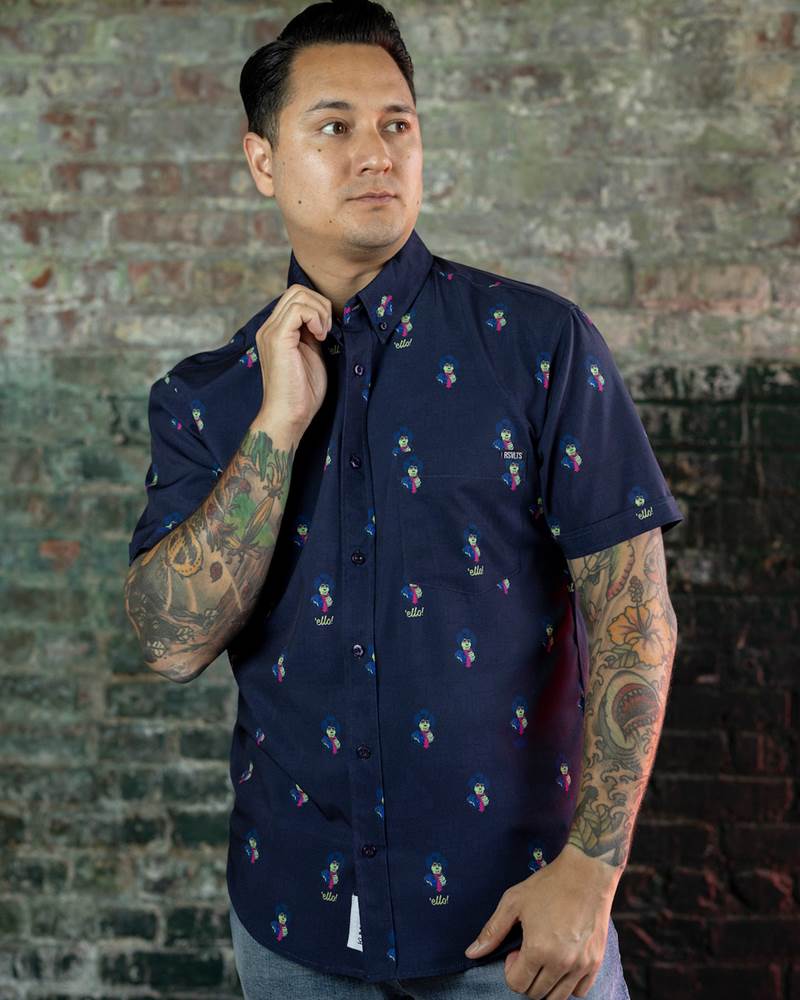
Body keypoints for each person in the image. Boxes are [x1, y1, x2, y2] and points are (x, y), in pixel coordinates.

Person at [123, 2, 683, 997]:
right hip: (294, 926)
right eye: (334, 126)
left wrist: (591, 872)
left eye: (396, 124)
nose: (375, 152)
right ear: (263, 161)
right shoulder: (207, 397)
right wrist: (276, 429)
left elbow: (634, 617)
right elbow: (169, 643)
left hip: (517, 923)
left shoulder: (536, 346)